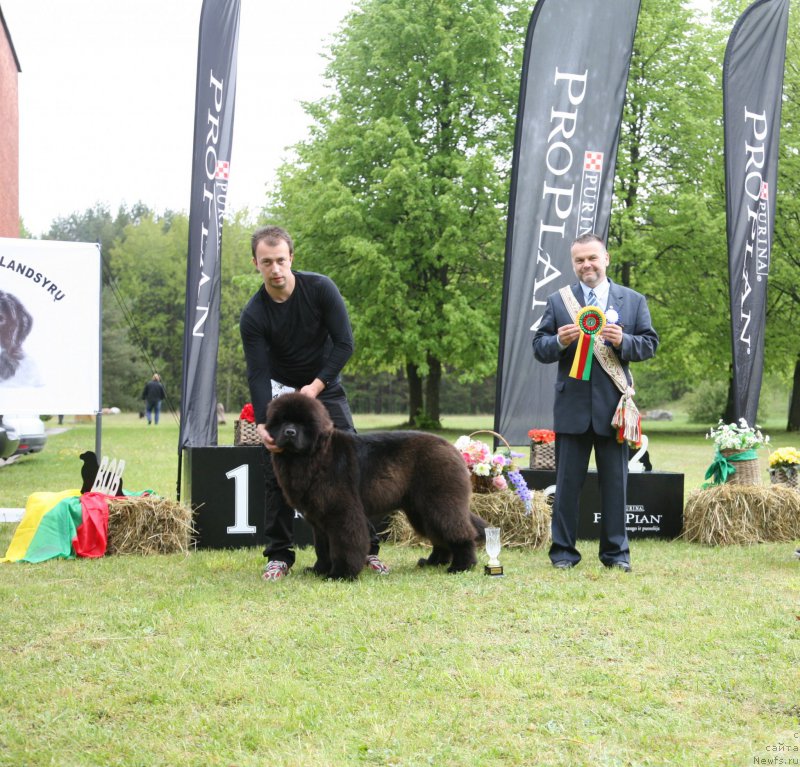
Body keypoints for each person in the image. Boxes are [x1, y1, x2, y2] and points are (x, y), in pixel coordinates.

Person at [239, 225, 388, 581]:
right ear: (256, 264)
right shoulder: (253, 314)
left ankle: (368, 549)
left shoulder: (321, 288)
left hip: (325, 385)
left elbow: (345, 344)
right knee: (275, 467)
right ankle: (279, 555)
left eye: (280, 260)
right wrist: (263, 424)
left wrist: (316, 386)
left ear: (291, 257)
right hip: (282, 390)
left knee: (353, 462)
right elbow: (257, 373)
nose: (275, 269)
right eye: (266, 262)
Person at [532, 233, 659, 572]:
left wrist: (624, 340)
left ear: (606, 259)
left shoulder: (632, 300)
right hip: (571, 409)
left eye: (592, 258)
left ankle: (616, 555)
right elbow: (539, 348)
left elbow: (649, 344)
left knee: (616, 487)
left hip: (614, 411)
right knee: (567, 487)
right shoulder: (559, 301)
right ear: (573, 264)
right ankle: (563, 553)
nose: (586, 265)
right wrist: (559, 341)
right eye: (579, 260)